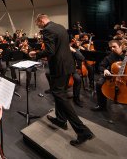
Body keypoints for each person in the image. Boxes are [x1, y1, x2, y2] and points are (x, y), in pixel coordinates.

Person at [29, 14, 93, 146]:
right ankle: (61, 119)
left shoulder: (47, 30)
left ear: (41, 21)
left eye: (38, 24)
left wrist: (36, 54)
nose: (38, 26)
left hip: (59, 68)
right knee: (59, 94)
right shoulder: (60, 27)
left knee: (60, 96)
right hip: (68, 65)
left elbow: (50, 51)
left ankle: (82, 131)